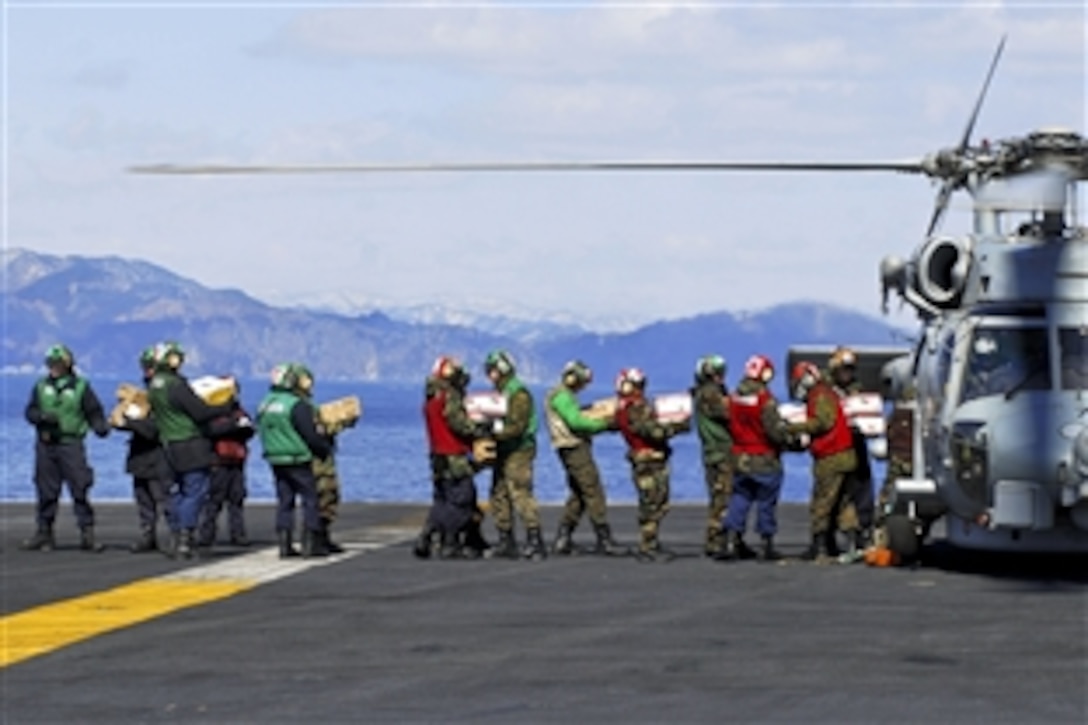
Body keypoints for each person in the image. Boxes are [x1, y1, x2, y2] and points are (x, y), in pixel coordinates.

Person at [147, 341, 234, 559]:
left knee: (175, 492)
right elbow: (200, 412)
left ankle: (176, 534)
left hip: (168, 444)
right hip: (190, 443)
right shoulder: (175, 384)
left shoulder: (155, 384)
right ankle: (186, 536)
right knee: (195, 491)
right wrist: (226, 407)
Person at [21, 344, 110, 552]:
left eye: (57, 364)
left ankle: (87, 533)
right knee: (46, 491)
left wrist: (100, 427)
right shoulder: (41, 386)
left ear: (67, 365)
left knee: (80, 488)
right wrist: (41, 417)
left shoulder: (81, 387)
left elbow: (94, 411)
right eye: (51, 364)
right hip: (46, 444)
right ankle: (44, 532)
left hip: (71, 444)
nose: (53, 368)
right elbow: (30, 411)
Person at [544, 360, 624, 556]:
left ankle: (563, 537)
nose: (583, 386)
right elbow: (576, 422)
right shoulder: (562, 396)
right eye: (581, 381)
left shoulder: (561, 395)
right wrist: (605, 424)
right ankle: (603, 538)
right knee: (593, 489)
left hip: (568, 447)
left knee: (579, 493)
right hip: (573, 447)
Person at [257, 363, 332, 559]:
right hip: (297, 458)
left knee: (284, 501)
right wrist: (324, 449)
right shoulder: (295, 405)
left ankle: (285, 543)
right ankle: (310, 543)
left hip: (275, 458)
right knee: (310, 499)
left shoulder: (265, 403)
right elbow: (309, 434)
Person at [787, 360, 860, 562]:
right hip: (844, 455)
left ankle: (820, 546)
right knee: (843, 502)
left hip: (832, 456)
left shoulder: (819, 395)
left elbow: (823, 422)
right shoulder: (827, 393)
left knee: (823, 502)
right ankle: (851, 543)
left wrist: (794, 427)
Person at [719, 354, 788, 562]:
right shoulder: (765, 401)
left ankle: (732, 540)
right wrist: (788, 439)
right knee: (766, 501)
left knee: (740, 498)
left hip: (739, 457)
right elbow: (774, 431)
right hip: (764, 457)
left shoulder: (733, 398)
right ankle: (766, 543)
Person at [615, 367, 688, 563]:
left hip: (649, 457)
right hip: (647, 458)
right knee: (652, 502)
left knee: (658, 502)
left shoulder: (626, 406)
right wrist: (677, 427)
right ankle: (647, 544)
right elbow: (653, 432)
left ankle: (651, 541)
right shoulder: (634, 408)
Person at [421, 355, 488, 559]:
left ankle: (428, 536)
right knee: (461, 498)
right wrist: (478, 429)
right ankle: (450, 542)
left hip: (437, 455)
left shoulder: (431, 398)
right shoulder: (449, 396)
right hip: (453, 454)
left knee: (442, 499)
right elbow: (457, 422)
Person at [484, 350, 546, 561]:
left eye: (492, 370)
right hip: (504, 448)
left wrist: (494, 433)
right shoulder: (500, 394)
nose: (490, 375)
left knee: (520, 493)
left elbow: (518, 426)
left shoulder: (518, 394)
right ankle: (505, 539)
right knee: (499, 493)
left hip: (519, 449)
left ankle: (535, 540)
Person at [115, 346, 172, 553]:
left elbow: (154, 430)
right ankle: (148, 536)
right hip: (139, 455)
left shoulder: (164, 397)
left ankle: (175, 536)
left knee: (164, 499)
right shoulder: (142, 396)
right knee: (143, 500)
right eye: (146, 368)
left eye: (152, 368)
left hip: (158, 456)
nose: (148, 372)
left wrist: (130, 422)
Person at [828, 346, 875, 547]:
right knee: (834, 496)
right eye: (843, 369)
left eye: (850, 369)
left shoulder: (859, 393)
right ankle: (830, 537)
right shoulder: (827, 392)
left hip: (857, 448)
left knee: (862, 491)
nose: (847, 373)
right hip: (835, 451)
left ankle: (862, 533)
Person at [197, 387, 255, 550]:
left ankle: (238, 534)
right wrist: (235, 427)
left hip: (236, 460)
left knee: (236, 498)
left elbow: (250, 430)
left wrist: (244, 428)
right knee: (215, 499)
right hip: (218, 460)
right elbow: (213, 430)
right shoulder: (211, 411)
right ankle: (206, 534)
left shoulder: (238, 411)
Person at [690, 355, 733, 557]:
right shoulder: (710, 394)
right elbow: (730, 413)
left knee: (721, 496)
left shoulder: (705, 393)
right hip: (720, 451)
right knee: (722, 498)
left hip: (714, 451)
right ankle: (716, 541)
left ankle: (727, 539)